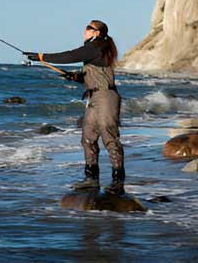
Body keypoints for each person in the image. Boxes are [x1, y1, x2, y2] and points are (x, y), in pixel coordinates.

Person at [24, 20, 125, 194]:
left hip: (106, 98)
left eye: (89, 28)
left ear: (97, 33)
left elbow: (69, 56)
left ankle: (118, 182)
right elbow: (93, 74)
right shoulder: (94, 49)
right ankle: (91, 180)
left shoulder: (96, 47)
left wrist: (42, 57)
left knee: (110, 138)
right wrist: (77, 77)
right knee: (88, 138)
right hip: (94, 97)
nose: (85, 30)